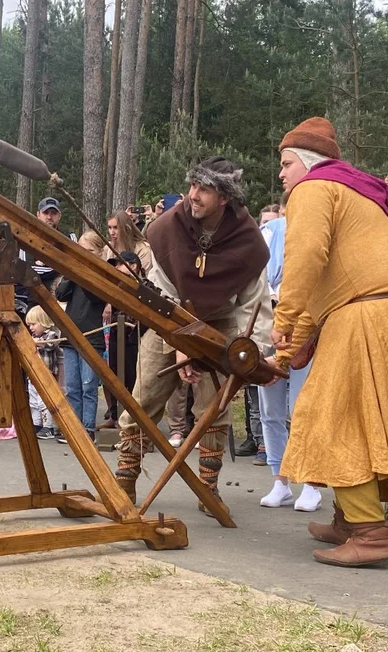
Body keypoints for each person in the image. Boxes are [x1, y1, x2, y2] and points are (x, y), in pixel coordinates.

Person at [269, 117, 388, 567]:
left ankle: (369, 534)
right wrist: (286, 353)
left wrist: (282, 320)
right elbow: (327, 288)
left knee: (336, 415)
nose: (282, 175)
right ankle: (350, 519)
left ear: (307, 163)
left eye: (286, 164)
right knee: (366, 418)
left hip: (372, 310)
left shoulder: (313, 189)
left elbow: (306, 259)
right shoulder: (355, 192)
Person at [116, 156, 273, 517]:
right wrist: (181, 345)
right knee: (144, 398)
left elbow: (253, 303)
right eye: (192, 186)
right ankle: (124, 479)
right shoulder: (168, 226)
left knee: (214, 407)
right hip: (169, 320)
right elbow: (162, 290)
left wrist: (255, 355)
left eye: (203, 189)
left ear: (224, 197)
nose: (192, 195)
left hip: (220, 324)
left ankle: (208, 486)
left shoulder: (247, 239)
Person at [256, 205, 321, 512]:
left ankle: (310, 482)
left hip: (305, 329)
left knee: (302, 408)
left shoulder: (318, 231)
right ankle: (280, 480)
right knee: (270, 410)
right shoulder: (268, 232)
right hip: (269, 324)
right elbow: (256, 277)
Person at [56, 231, 109, 443]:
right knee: (73, 386)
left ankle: (87, 428)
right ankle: (74, 427)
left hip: (91, 336)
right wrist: (71, 271)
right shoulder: (74, 272)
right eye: (81, 251)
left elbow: (95, 296)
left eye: (89, 251)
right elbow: (61, 294)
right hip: (70, 333)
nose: (84, 255)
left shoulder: (102, 275)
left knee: (89, 386)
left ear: (99, 252)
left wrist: (84, 272)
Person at [100, 252, 145, 430]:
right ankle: (114, 415)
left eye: (120, 264)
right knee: (113, 376)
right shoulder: (115, 285)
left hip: (135, 337)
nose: (116, 268)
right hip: (116, 334)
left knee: (133, 379)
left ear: (133, 266)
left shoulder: (144, 285)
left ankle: (133, 421)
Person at [25, 305, 61, 440]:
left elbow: (51, 344)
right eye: (29, 325)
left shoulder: (51, 335)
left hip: (46, 375)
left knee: (44, 401)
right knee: (33, 402)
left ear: (44, 322)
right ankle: (36, 424)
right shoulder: (32, 337)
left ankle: (48, 427)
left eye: (34, 324)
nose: (31, 328)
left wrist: (36, 342)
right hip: (32, 375)